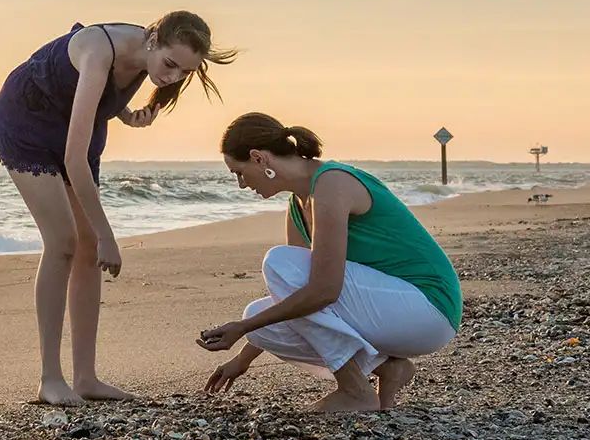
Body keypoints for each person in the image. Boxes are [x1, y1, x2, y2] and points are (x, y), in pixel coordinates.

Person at [0, 12, 234, 405]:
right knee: (64, 241)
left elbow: (98, 95)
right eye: (170, 65)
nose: (172, 77)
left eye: (184, 72)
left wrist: (125, 114)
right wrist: (108, 236)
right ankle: (50, 379)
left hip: (74, 127)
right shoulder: (97, 51)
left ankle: (86, 378)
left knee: (85, 249)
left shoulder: (148, 59)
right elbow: (75, 159)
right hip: (27, 120)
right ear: (152, 39)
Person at [198, 113, 462, 414]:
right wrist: (243, 356)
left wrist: (242, 328)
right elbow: (297, 300)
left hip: (427, 308)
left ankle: (355, 390)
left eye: (239, 173)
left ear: (258, 159)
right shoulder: (298, 203)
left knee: (278, 265)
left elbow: (324, 290)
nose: (241, 185)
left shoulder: (332, 183)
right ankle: (388, 369)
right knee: (259, 317)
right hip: (389, 310)